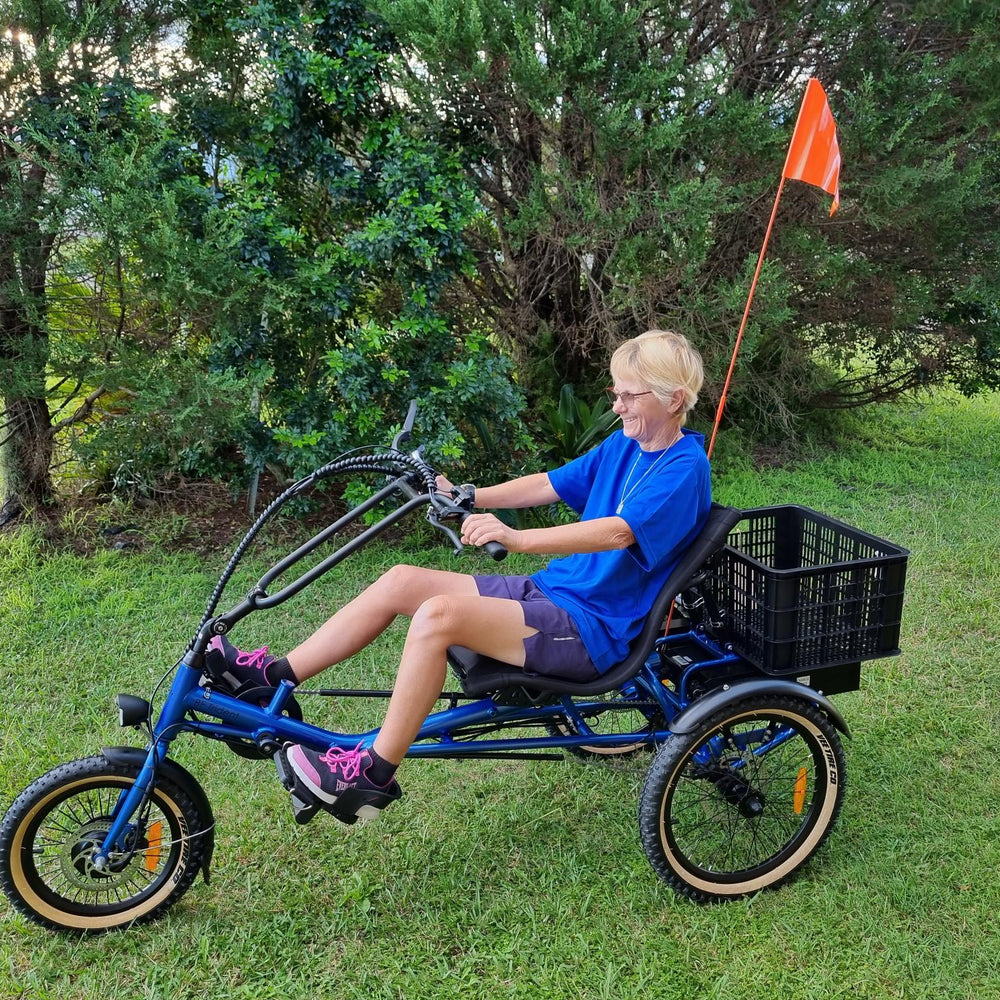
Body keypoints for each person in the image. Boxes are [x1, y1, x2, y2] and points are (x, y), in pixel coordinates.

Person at [207, 330, 712, 822]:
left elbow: (618, 533)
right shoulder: (625, 445)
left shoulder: (683, 469)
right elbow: (550, 483)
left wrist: (517, 539)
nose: (618, 405)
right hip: (553, 591)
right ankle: (269, 677)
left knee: (438, 616)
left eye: (630, 394)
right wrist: (471, 494)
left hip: (590, 629)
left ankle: (372, 771)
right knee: (402, 579)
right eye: (615, 392)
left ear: (675, 400)